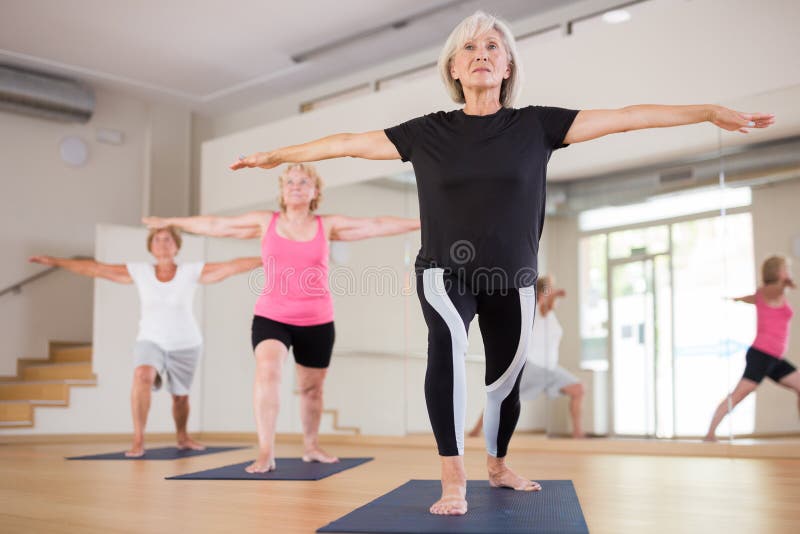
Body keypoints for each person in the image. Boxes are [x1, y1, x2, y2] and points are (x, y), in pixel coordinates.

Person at [230, 10, 774, 515]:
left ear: (508, 64)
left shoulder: (536, 126)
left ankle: (497, 464)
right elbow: (348, 142)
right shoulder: (428, 132)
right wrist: (278, 155)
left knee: (505, 381)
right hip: (443, 270)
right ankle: (452, 476)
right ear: (454, 67)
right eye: (468, 47)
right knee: (445, 351)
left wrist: (706, 112)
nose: (481, 53)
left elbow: (628, 118)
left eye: (492, 45)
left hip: (513, 275)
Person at [144, 163, 420, 473]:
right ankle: (266, 451)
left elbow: (376, 224)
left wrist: (423, 222)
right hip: (272, 317)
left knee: (312, 390)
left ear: (315, 191)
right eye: (289, 181)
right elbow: (218, 225)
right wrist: (171, 221)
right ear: (282, 190)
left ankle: (311, 446)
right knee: (268, 370)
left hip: (317, 320)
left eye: (304, 181)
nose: (296, 185)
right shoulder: (266, 222)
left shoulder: (326, 225)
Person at [29, 226, 261, 457]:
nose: (162, 243)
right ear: (150, 246)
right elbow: (97, 269)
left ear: (177, 246)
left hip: (186, 343)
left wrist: (269, 259)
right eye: (157, 239)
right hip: (150, 339)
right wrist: (57, 262)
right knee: (142, 375)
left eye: (168, 239)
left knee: (180, 397)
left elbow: (231, 266)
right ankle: (138, 438)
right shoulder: (139, 271)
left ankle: (182, 436)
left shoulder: (191, 271)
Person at [468, 275, 585, 439]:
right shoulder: (536, 309)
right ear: (542, 293)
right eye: (548, 290)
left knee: (578, 389)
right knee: (501, 397)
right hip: (532, 366)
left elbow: (547, 300)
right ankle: (476, 430)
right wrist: (554, 292)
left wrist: (553, 295)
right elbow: (544, 297)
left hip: (550, 368)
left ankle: (578, 434)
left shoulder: (550, 315)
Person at [705, 255, 797, 441]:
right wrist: (785, 284)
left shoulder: (764, 295)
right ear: (778, 272)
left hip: (775, 358)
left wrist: (737, 299)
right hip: (761, 355)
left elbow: (752, 298)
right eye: (785, 269)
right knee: (738, 395)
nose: (788, 272)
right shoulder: (771, 291)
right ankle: (710, 434)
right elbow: (772, 291)